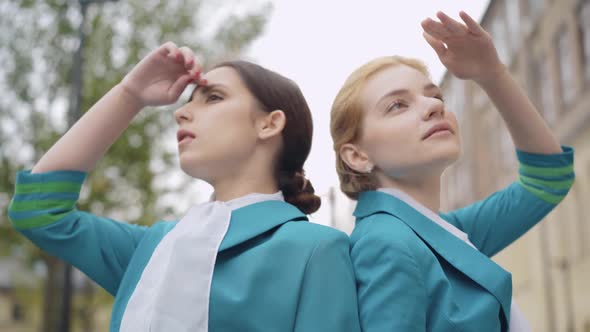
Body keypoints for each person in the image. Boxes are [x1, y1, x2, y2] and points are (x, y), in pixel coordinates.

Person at [8, 42, 361, 332]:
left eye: (213, 97)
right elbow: (38, 211)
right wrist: (129, 95)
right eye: (188, 100)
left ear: (269, 124)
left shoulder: (316, 250)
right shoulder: (153, 247)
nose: (181, 112)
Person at [330, 11, 574, 331]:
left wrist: (491, 74)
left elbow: (548, 180)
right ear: (357, 156)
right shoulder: (387, 243)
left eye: (435, 96)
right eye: (397, 105)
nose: (434, 107)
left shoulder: (445, 234)